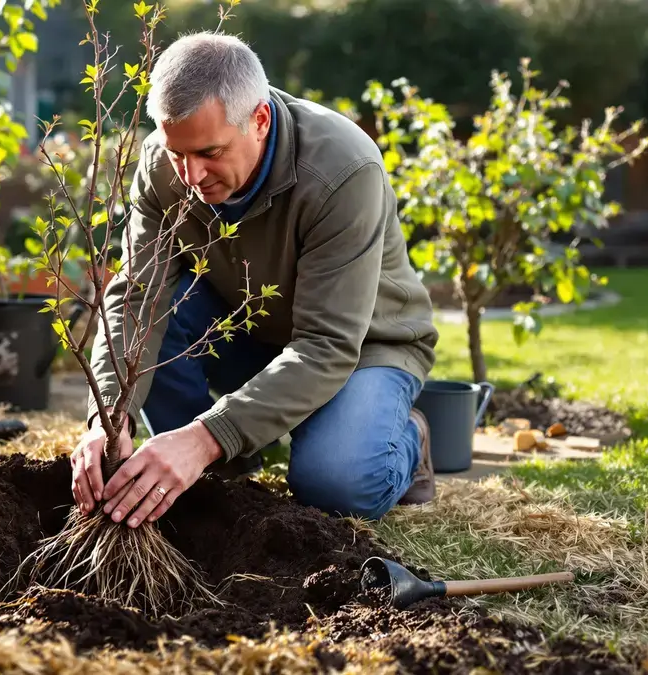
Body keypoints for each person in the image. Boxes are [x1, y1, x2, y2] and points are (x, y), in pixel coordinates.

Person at [71, 31, 440, 529]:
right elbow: (138, 297)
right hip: (249, 328)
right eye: (178, 153)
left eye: (210, 152)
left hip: (363, 347)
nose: (191, 176)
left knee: (335, 485)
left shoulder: (341, 171)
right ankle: (228, 468)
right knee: (168, 312)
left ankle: (405, 438)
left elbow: (327, 345)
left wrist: (203, 436)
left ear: (260, 120)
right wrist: (107, 416)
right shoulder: (166, 164)